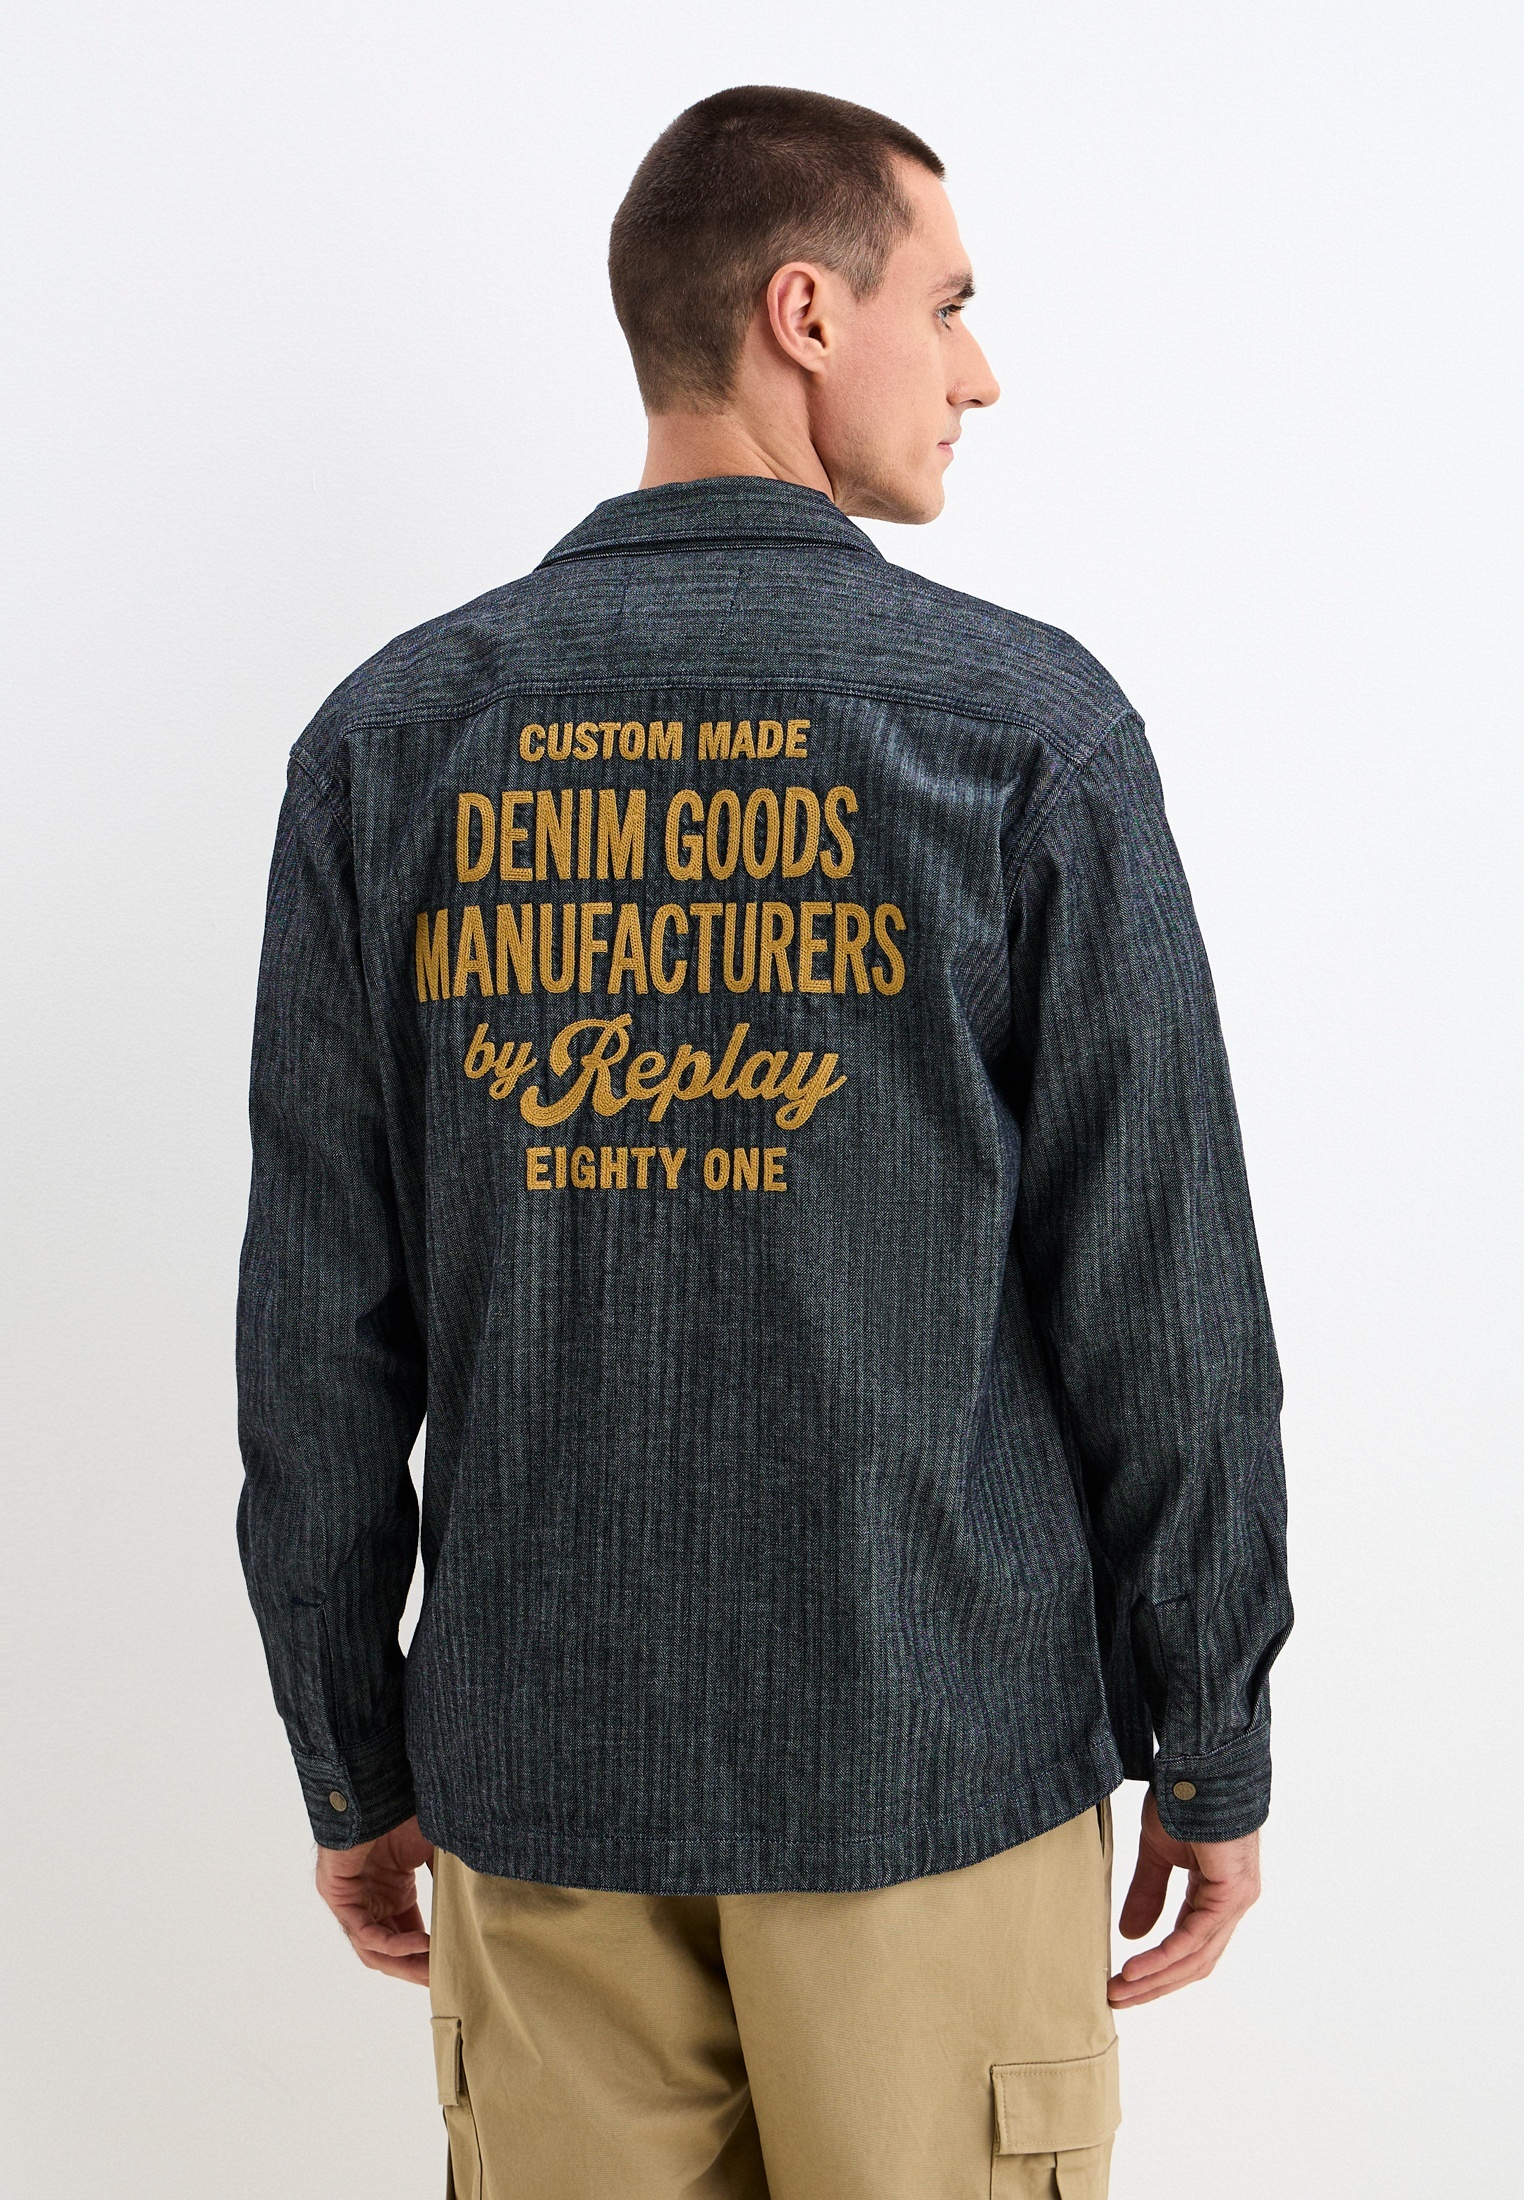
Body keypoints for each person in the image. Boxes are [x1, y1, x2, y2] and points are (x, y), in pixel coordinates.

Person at [236, 84, 1292, 2200]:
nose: (980, 371)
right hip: (934, 1774)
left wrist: (349, 1750)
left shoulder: (394, 742)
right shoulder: (1025, 734)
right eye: (950, 306)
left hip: (545, 1786)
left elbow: (319, 1327)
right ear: (805, 314)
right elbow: (1161, 1292)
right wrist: (1214, 1727)